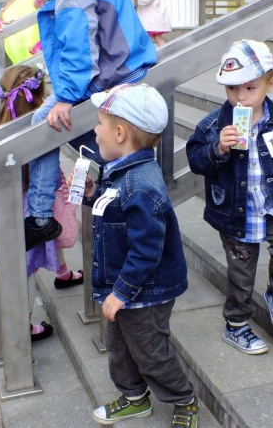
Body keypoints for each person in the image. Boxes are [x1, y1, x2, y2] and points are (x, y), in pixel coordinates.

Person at [186, 40, 273, 355]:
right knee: (241, 272)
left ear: (270, 82)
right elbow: (195, 161)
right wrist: (217, 149)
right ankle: (235, 325)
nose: (240, 97)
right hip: (236, 214)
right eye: (232, 89)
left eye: (250, 88)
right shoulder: (213, 126)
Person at [81, 83, 198, 427]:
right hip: (122, 285)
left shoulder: (141, 185)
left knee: (151, 353)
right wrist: (91, 195)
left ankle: (184, 401)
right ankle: (134, 397)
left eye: (99, 124)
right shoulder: (119, 172)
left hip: (143, 291)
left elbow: (147, 249)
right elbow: (115, 216)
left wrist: (121, 293)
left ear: (119, 132)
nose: (95, 130)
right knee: (118, 346)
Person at [23, 0, 156, 252]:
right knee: (108, 150)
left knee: (44, 123)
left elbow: (80, 42)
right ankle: (115, 210)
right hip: (122, 68)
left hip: (109, 75)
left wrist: (67, 96)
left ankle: (41, 213)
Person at [0, 65, 84, 342]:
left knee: (24, 260)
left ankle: (63, 272)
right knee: (25, 270)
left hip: (3, 208)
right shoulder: (38, 133)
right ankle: (24, 327)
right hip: (28, 212)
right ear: (39, 99)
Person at [1, 0, 53, 64]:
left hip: (32, 7)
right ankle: (18, 60)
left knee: (29, 35)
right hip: (18, 8)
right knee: (15, 35)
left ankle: (30, 62)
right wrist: (7, 7)